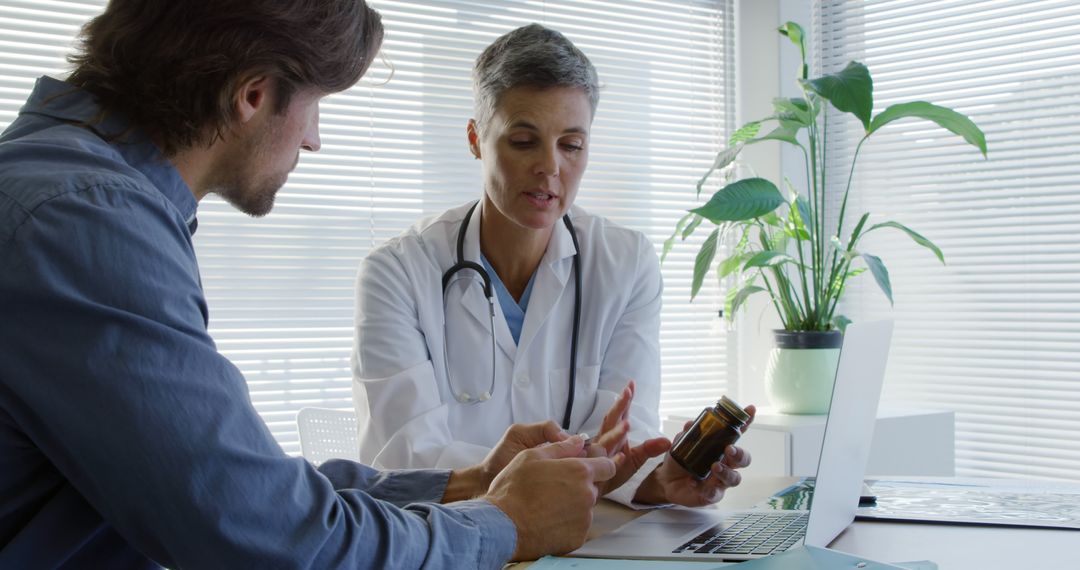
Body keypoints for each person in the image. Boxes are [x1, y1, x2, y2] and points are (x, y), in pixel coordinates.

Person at [0, 2, 625, 568]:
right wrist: (505, 525)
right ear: (253, 94)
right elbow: (268, 535)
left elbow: (245, 487)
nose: (313, 138)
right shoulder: (84, 217)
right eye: (315, 104)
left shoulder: (68, 189)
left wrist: (466, 483)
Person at [352, 23, 755, 509]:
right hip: (445, 538)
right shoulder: (397, 272)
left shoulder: (626, 264)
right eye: (523, 141)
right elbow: (400, 459)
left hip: (580, 541)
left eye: (571, 145)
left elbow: (622, 442)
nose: (550, 167)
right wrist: (529, 475)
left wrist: (659, 481)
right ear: (476, 139)